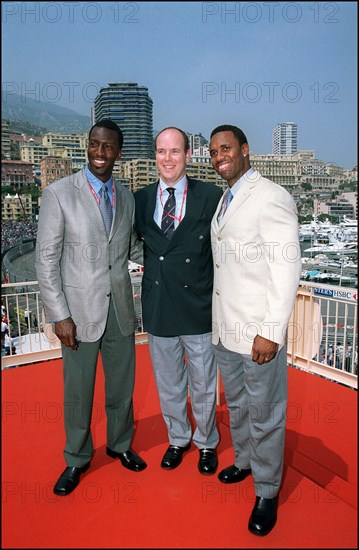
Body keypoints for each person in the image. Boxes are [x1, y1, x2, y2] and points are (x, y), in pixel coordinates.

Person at [35, 119, 147, 497]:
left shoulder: (127, 197)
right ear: (88, 145)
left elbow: (130, 248)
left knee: (122, 387)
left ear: (118, 152)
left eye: (108, 147)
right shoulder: (59, 193)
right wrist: (59, 315)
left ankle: (120, 444)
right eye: (95, 145)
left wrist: (174, 257)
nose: (100, 153)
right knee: (79, 392)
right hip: (78, 315)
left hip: (120, 311)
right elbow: (46, 260)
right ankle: (76, 459)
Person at [209, 124, 302, 536]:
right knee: (242, 409)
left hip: (257, 335)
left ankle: (267, 490)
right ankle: (245, 462)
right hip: (226, 332)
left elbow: (287, 269)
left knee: (265, 414)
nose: (218, 157)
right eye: (212, 152)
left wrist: (271, 331)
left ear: (245, 150)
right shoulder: (224, 199)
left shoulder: (271, 197)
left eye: (225, 148)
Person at [134, 127, 222, 475]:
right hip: (158, 305)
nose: (167, 159)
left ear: (188, 155)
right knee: (169, 383)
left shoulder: (211, 196)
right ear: (154, 155)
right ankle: (178, 439)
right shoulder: (139, 198)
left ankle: (206, 443)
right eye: (161, 151)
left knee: (202, 383)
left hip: (198, 305)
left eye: (174, 152)